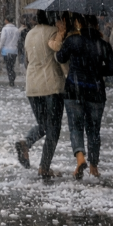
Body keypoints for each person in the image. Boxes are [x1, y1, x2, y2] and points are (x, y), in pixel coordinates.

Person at [55, 14, 113, 179]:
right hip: (95, 92)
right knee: (94, 130)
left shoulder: (73, 41)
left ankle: (80, 157)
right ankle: (94, 166)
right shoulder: (103, 45)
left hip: (74, 89)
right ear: (96, 26)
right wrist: (95, 70)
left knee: (75, 127)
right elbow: (112, 69)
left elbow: (60, 57)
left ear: (79, 24)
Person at [15, 10, 66, 178]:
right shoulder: (53, 33)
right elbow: (59, 57)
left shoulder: (29, 34)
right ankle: (44, 166)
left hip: (32, 86)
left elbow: (27, 60)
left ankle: (26, 142)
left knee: (43, 124)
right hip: (51, 85)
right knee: (53, 129)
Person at [0, 16, 20, 87]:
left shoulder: (4, 29)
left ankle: (11, 79)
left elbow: (2, 39)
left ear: (7, 20)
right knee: (11, 65)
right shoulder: (16, 29)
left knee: (8, 66)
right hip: (14, 50)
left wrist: (0, 46)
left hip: (6, 50)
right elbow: (18, 39)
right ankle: (12, 76)